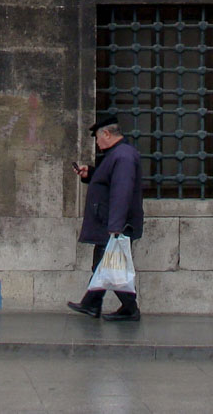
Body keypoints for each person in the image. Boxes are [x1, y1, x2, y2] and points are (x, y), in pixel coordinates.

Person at [67, 113, 144, 321]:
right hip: (109, 221)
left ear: (107, 134)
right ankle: (92, 304)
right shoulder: (118, 155)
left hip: (114, 224)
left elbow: (122, 190)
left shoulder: (123, 156)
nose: (97, 143)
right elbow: (110, 182)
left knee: (107, 264)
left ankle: (127, 308)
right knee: (103, 264)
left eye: (98, 138)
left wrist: (116, 226)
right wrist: (90, 174)